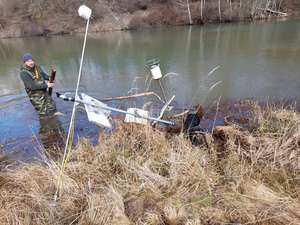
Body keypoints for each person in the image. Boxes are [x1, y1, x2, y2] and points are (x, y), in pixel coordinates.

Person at [20, 53, 57, 118]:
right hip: (36, 97)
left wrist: (50, 78)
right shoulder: (23, 73)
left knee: (52, 107)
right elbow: (32, 87)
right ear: (25, 62)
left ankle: (55, 119)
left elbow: (43, 75)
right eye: (28, 61)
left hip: (44, 92)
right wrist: (47, 85)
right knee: (43, 114)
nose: (31, 62)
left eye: (32, 60)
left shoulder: (37, 67)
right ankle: (44, 125)